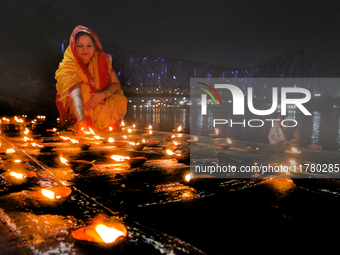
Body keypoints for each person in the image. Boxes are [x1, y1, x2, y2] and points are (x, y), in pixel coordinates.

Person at [55, 25, 127, 135]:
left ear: (95, 47)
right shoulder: (69, 66)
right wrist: (80, 117)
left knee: (118, 98)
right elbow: (76, 93)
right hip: (81, 106)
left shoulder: (101, 60)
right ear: (73, 47)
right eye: (80, 46)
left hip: (101, 101)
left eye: (89, 46)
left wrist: (102, 95)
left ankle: (100, 125)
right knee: (83, 90)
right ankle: (82, 124)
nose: (85, 50)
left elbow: (116, 84)